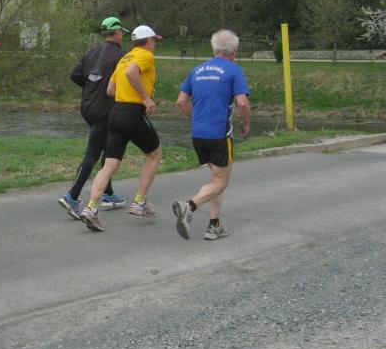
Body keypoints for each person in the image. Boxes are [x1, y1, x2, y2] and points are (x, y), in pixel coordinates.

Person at [80, 25, 163, 232]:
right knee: (154, 154)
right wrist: (145, 98)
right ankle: (139, 201)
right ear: (148, 40)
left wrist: (129, 93)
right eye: (154, 40)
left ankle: (91, 208)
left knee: (110, 164)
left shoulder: (125, 57)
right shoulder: (145, 55)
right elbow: (132, 72)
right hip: (132, 113)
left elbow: (110, 89)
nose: (155, 44)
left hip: (115, 112)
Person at [172, 29, 251, 240]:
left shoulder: (196, 70)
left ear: (214, 48)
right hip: (219, 135)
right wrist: (245, 123)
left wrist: (197, 118)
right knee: (221, 181)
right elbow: (242, 102)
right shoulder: (233, 70)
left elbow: (181, 101)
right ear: (234, 51)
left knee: (216, 178)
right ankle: (189, 207)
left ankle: (214, 224)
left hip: (198, 134)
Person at [59, 17, 127, 219]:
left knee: (108, 147)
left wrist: (91, 87)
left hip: (87, 107)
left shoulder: (90, 52)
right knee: (93, 153)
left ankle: (108, 193)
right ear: (117, 32)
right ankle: (72, 196)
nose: (122, 35)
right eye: (122, 32)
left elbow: (75, 75)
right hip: (106, 109)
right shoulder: (121, 56)